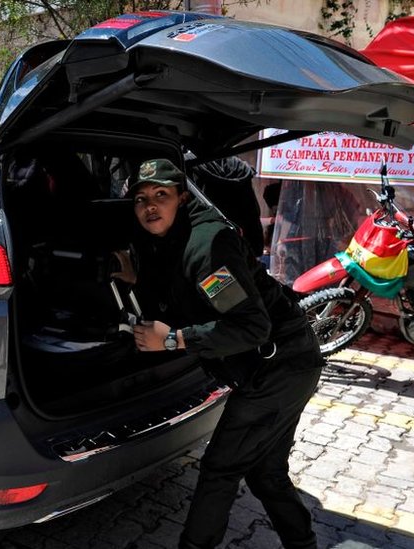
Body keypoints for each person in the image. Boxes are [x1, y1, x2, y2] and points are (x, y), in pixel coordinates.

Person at [113, 159, 323, 549]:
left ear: (181, 197)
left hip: (279, 366)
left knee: (220, 470)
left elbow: (250, 327)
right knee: (265, 473)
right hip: (280, 362)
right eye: (141, 199)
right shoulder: (175, 237)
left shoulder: (209, 245)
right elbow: (186, 288)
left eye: (162, 195)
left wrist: (173, 339)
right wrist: (138, 278)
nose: (150, 206)